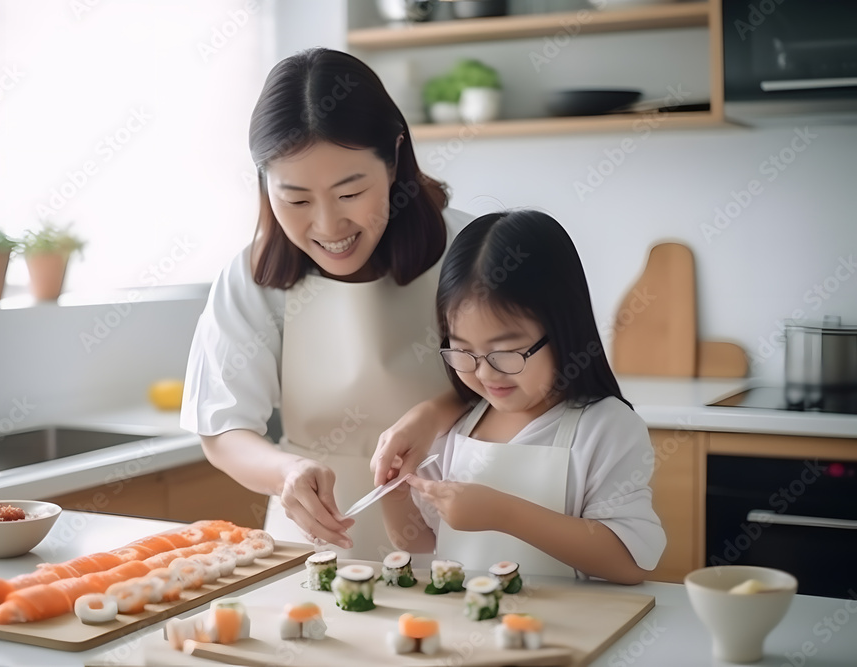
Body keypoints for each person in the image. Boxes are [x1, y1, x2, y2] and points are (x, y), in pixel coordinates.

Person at [181, 48, 472, 560]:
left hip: (460, 535)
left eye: (350, 192)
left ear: (395, 158)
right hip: (313, 548)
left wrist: (435, 413)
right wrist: (286, 472)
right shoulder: (253, 277)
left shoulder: (470, 250)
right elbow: (223, 429)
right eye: (295, 200)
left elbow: (537, 382)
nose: (328, 226)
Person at [381, 210, 666, 584]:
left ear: (563, 329)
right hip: (465, 631)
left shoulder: (606, 428)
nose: (484, 373)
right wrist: (391, 493)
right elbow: (421, 542)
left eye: (505, 353)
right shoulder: (457, 427)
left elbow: (631, 563)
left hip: (567, 634)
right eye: (463, 351)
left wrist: (504, 514)